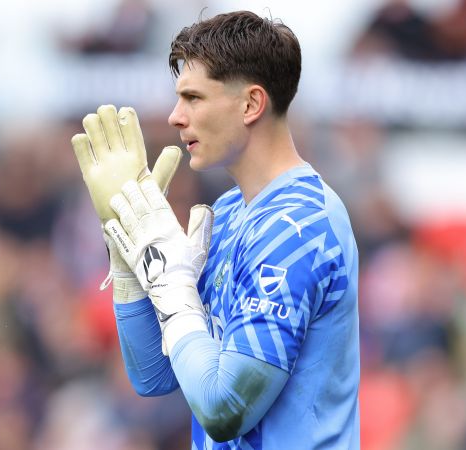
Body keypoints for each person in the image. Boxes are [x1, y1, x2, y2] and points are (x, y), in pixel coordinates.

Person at [72, 10, 360, 450]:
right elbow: (156, 375)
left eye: (193, 98)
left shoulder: (299, 228)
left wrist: (173, 290)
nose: (174, 116)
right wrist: (131, 265)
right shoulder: (228, 212)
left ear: (251, 104)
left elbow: (224, 409)